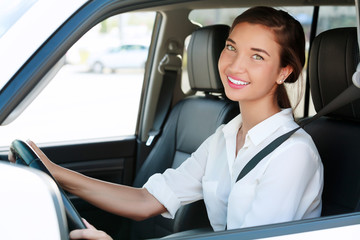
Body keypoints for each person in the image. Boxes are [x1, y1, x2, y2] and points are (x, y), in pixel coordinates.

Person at [19, 6, 324, 240]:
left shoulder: (292, 155)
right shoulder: (225, 137)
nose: (235, 65)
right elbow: (146, 200)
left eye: (257, 57)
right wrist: (55, 174)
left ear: (284, 72)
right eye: (231, 47)